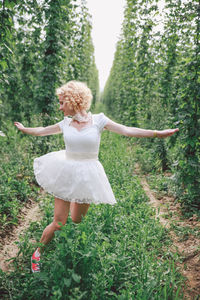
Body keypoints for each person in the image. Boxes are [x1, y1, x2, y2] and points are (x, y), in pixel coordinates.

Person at [14, 80, 179, 273]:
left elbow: (126, 130)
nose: (59, 107)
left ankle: (68, 244)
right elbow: (42, 131)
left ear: (73, 100)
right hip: (65, 171)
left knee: (77, 219)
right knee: (59, 222)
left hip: (87, 175)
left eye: (62, 102)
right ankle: (37, 253)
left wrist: (156, 134)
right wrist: (25, 129)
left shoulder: (99, 120)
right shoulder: (65, 122)